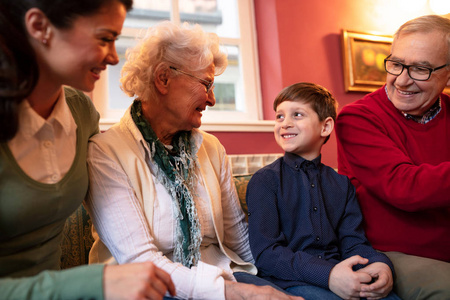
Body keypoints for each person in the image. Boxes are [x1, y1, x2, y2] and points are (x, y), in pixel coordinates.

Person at [85, 21, 302, 300]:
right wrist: (238, 293)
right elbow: (140, 261)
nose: (212, 99)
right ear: (163, 78)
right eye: (206, 84)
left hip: (223, 275)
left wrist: (302, 272)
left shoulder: (210, 147)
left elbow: (238, 238)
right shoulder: (106, 152)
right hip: (147, 288)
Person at [0, 1, 176, 299]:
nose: (113, 56)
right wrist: (96, 282)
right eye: (104, 38)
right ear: (40, 27)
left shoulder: (81, 112)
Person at [246, 82, 399, 300]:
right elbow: (267, 254)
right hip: (292, 283)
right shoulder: (265, 181)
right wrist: (327, 275)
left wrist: (381, 265)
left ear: (325, 127)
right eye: (279, 117)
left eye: (297, 115)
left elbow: (354, 243)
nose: (285, 123)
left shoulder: (342, 184)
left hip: (343, 274)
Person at [335, 14, 450, 300]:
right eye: (396, 64)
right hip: (392, 253)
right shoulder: (357, 118)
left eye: (420, 69)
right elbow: (405, 187)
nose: (402, 80)